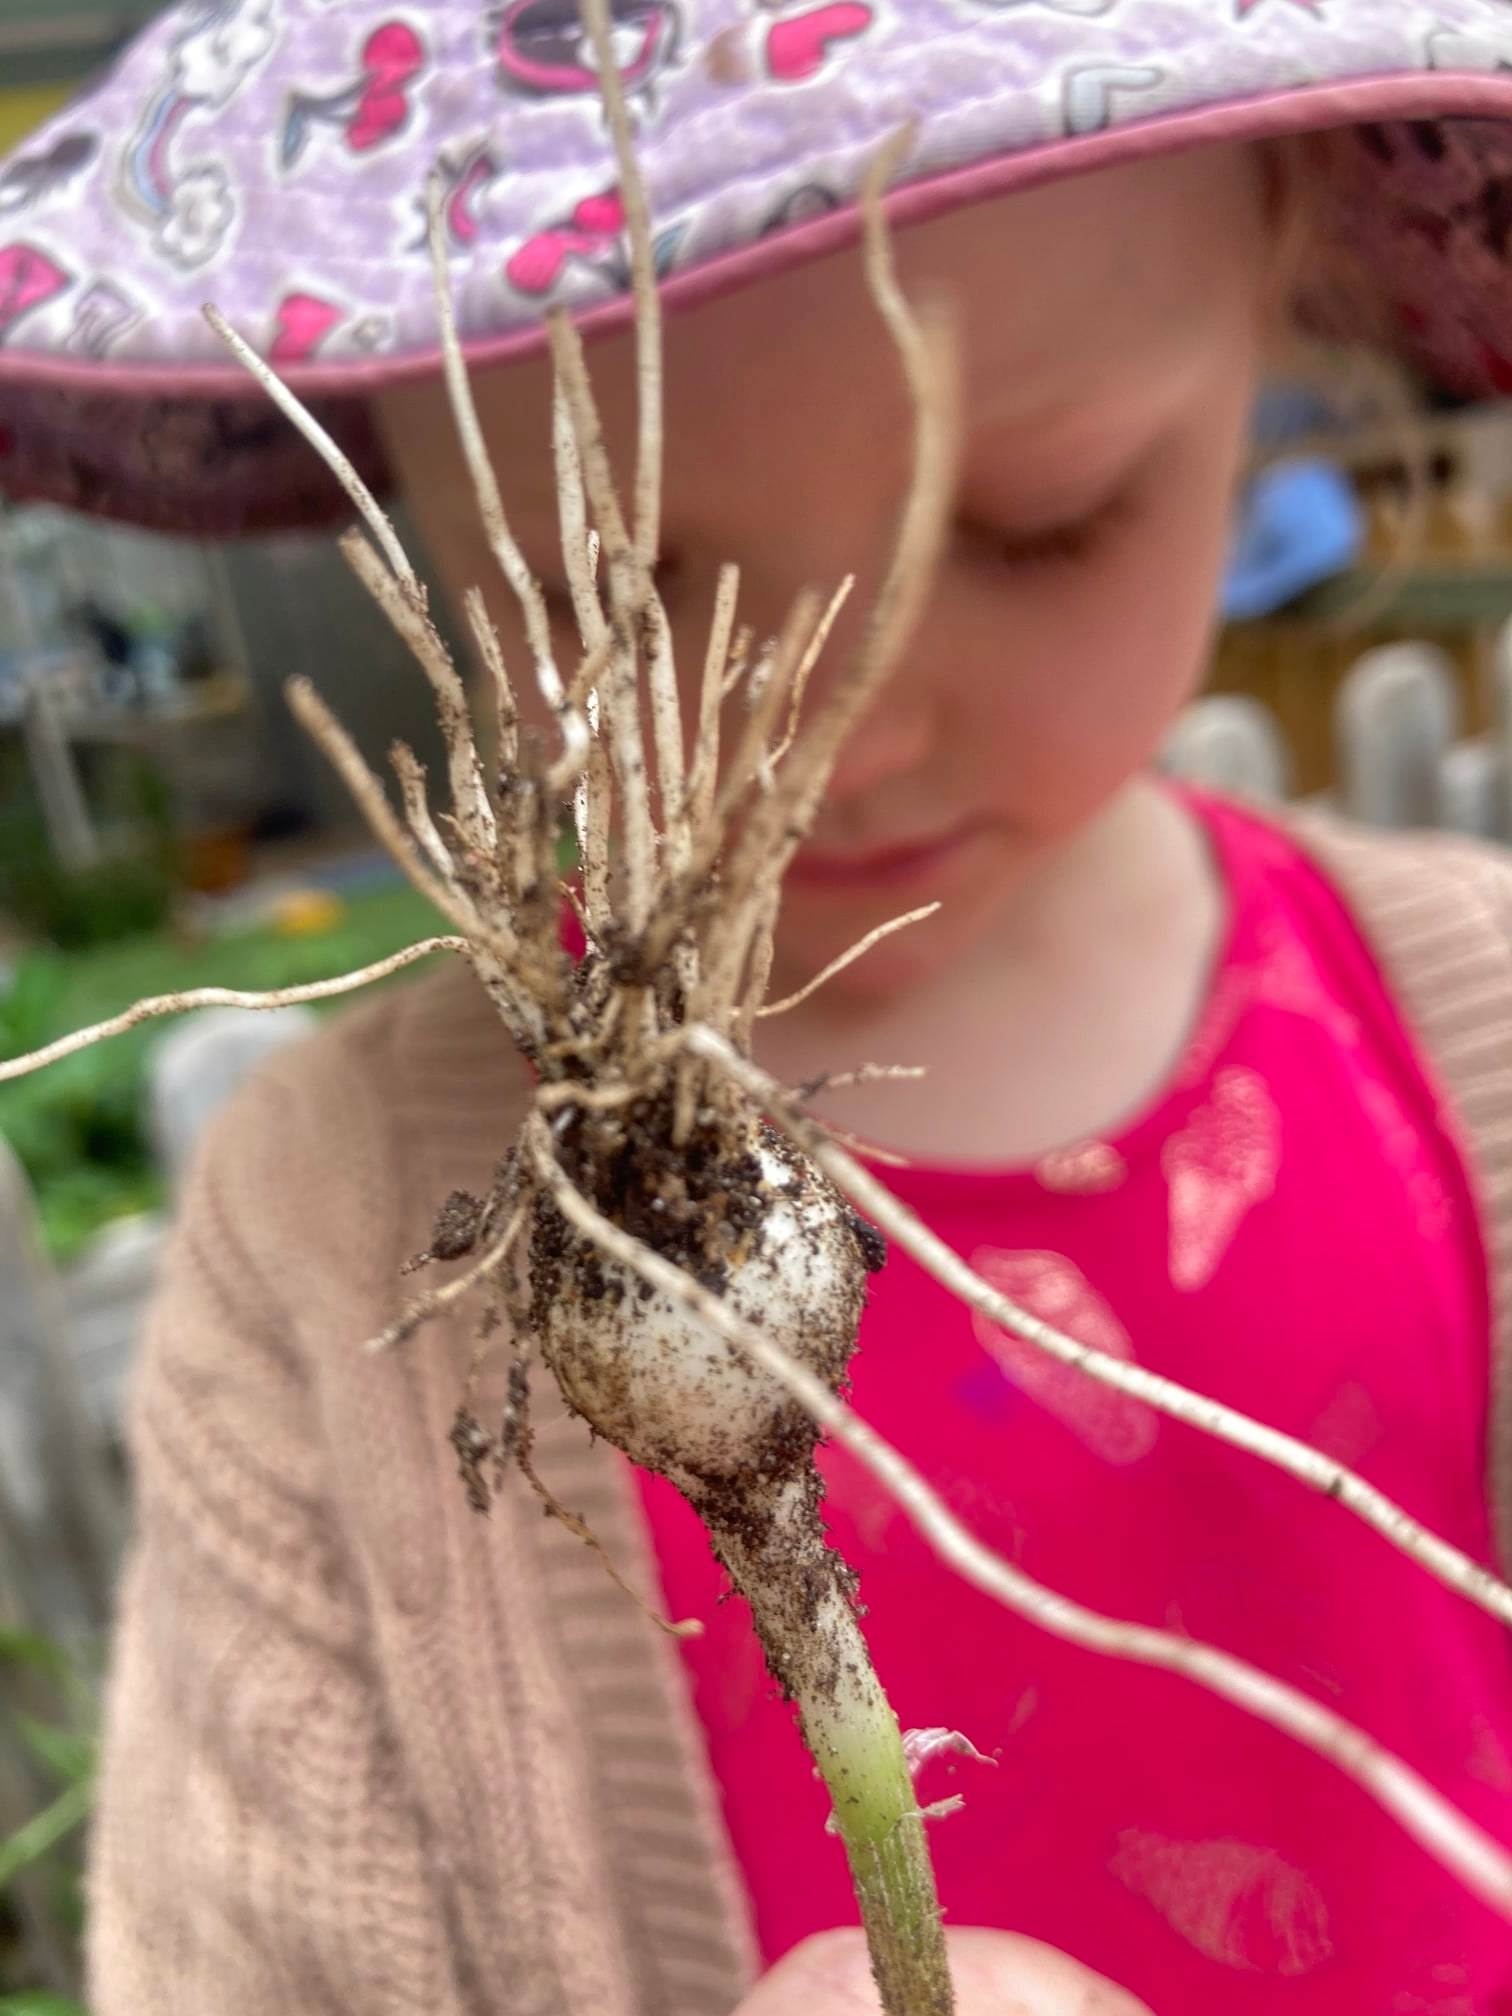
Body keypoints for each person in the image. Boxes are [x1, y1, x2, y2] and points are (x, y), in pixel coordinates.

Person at [3, 4, 1512, 2011]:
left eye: (1036, 521)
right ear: (405, 507)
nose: (840, 738)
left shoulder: (1467, 1021)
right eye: (607, 593)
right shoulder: (327, 1247)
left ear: (1294, 329)